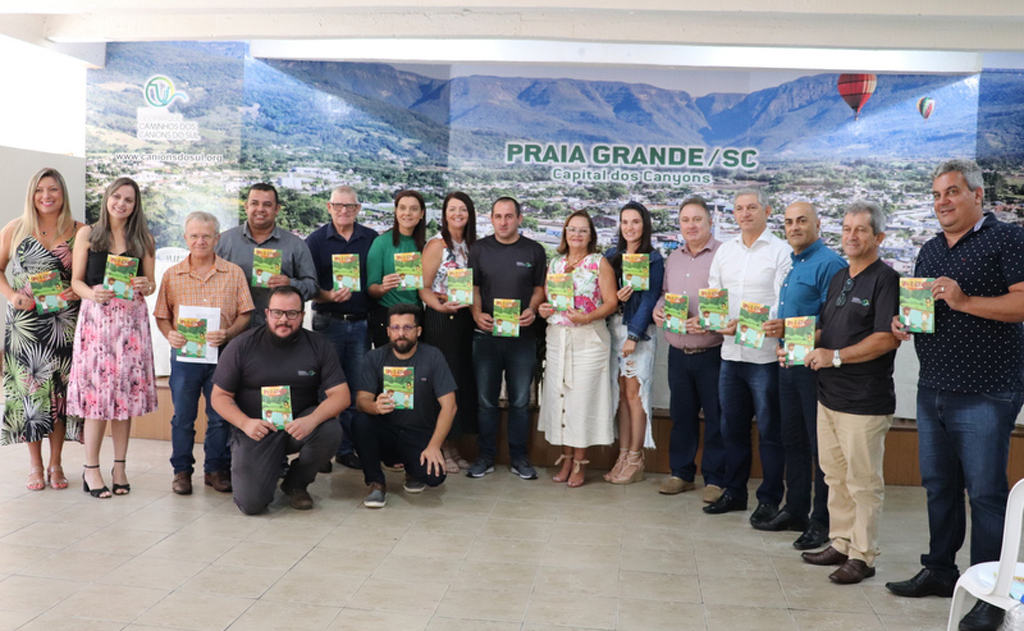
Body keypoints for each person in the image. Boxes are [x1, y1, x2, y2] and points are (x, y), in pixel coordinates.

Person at [886, 160, 1024, 631]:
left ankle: (992, 590)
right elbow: (922, 307)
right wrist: (903, 322)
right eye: (937, 194)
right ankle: (941, 570)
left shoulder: (1008, 239)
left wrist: (965, 301)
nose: (942, 201)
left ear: (978, 195)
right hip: (934, 386)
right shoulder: (928, 249)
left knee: (985, 493)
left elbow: (1023, 302)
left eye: (952, 192)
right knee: (939, 485)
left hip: (988, 389)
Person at [793, 201, 900, 585]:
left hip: (864, 401)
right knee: (834, 476)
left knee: (863, 482)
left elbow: (886, 339)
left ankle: (863, 555)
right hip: (829, 396)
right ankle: (840, 541)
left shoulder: (886, 279)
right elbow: (826, 329)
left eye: (861, 230)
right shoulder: (841, 276)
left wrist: (834, 356)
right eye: (847, 228)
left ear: (878, 237)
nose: (852, 236)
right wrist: (794, 341)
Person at [211, 286, 350, 514]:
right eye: (277, 313)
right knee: (252, 505)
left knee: (330, 430)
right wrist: (246, 423)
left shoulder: (319, 346)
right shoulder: (242, 345)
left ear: (303, 315)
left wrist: (311, 420)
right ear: (266, 313)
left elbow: (341, 395)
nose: (283, 320)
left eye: (292, 314)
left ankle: (296, 482)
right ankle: (263, 471)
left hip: (298, 427)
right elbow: (219, 396)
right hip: (255, 430)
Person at [757, 202, 847, 549]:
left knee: (818, 448)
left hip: (814, 370)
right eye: (789, 222)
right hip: (788, 365)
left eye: (802, 221)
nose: (794, 227)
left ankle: (821, 520)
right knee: (791, 440)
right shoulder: (795, 263)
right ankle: (795, 509)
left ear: (817, 224)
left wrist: (792, 332)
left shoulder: (830, 264)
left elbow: (835, 324)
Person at [702, 188, 791, 525]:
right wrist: (716, 319)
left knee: (770, 431)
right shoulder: (725, 251)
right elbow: (715, 295)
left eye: (752, 207)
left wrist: (749, 322)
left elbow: (781, 303)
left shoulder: (781, 251)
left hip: (765, 357)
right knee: (732, 428)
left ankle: (769, 499)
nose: (745, 214)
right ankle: (734, 491)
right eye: (739, 208)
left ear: (767, 210)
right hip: (730, 353)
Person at [68, 177, 158, 498]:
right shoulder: (88, 234)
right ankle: (90, 468)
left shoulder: (144, 238)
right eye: (116, 197)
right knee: (96, 399)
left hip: (131, 325)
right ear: (107, 198)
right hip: (96, 322)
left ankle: (119, 466)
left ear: (136, 206)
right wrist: (92, 294)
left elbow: (151, 283)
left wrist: (146, 286)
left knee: (125, 399)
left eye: (129, 200)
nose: (121, 203)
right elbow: (76, 282)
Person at [153, 211, 255, 495]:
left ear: (216, 239)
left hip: (223, 356)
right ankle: (182, 471)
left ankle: (216, 470)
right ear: (185, 238)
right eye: (194, 236)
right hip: (185, 358)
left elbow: (246, 314)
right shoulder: (172, 275)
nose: (200, 241)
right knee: (183, 418)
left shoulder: (233, 272)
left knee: (220, 416)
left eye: (206, 236)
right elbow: (161, 315)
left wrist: (229, 333)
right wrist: (168, 333)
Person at [0, 168, 83, 491]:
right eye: (40, 190)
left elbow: (87, 277)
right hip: (26, 328)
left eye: (53, 190)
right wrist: (12, 296)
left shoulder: (80, 231)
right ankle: (35, 465)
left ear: (63, 194)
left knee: (59, 397)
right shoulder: (15, 229)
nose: (46, 196)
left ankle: (56, 463)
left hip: (64, 326)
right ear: (31, 195)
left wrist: (77, 290)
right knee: (32, 397)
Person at [467, 197, 547, 480]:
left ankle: (520, 457)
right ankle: (485, 456)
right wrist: (476, 313)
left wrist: (532, 309)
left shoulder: (534, 250)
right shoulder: (478, 249)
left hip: (523, 337)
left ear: (519, 219)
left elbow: (540, 288)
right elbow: (473, 287)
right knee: (485, 401)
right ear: (491, 219)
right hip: (485, 335)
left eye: (509, 216)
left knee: (520, 401)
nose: (503, 222)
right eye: (498, 216)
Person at [652, 197, 726, 501]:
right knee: (681, 415)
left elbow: (730, 298)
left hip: (713, 351)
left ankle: (715, 479)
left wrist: (712, 322)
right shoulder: (674, 257)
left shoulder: (724, 254)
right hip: (678, 351)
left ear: (710, 222)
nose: (691, 225)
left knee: (716, 417)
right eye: (685, 220)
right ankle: (681, 473)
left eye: (697, 219)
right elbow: (666, 294)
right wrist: (658, 310)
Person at [537, 210, 618, 487]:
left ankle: (580, 462)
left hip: (588, 339)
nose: (577, 234)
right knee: (561, 399)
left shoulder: (599, 263)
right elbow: (548, 303)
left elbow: (611, 303)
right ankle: (566, 457)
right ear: (565, 232)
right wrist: (542, 308)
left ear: (590, 235)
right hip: (557, 339)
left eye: (583, 230)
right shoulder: (556, 263)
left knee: (582, 402)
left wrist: (586, 317)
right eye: (572, 229)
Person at [353, 303, 457, 508]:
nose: (401, 333)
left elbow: (450, 406)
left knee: (434, 478)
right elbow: (361, 400)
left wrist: (435, 446)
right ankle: (376, 483)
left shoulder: (433, 356)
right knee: (360, 421)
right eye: (395, 328)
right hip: (387, 431)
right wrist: (374, 406)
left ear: (418, 331)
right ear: (388, 331)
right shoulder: (375, 357)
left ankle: (412, 470)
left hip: (419, 433)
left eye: (407, 328)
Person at [305, 185, 378, 471]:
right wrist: (326, 295)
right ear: (329, 207)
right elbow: (308, 285)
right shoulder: (316, 241)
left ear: (358, 209)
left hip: (361, 324)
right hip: (328, 323)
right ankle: (322, 450)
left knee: (354, 390)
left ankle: (346, 449)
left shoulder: (371, 239)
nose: (344, 211)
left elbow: (374, 281)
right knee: (325, 390)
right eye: (338, 206)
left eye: (350, 206)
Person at [603, 202, 662, 484]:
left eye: (635, 222)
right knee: (622, 398)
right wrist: (615, 296)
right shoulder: (612, 255)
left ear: (645, 225)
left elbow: (650, 300)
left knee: (636, 396)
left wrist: (634, 335)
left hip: (638, 334)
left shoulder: (653, 258)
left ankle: (637, 458)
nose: (630, 227)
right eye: (625, 222)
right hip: (612, 330)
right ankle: (623, 454)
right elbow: (602, 292)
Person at [418, 191, 477, 472]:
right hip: (441, 320)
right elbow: (424, 287)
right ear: (444, 214)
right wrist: (440, 308)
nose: (457, 214)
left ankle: (453, 443)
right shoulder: (437, 245)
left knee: (461, 380)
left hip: (466, 321)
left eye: (463, 209)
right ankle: (442, 445)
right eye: (452, 209)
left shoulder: (473, 246)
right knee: (444, 383)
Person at [215, 183, 318, 328]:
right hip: (233, 333)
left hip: (279, 332)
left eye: (267, 204)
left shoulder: (295, 245)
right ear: (246, 207)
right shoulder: (223, 241)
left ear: (277, 209)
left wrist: (290, 285)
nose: (260, 209)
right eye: (254, 203)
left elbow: (312, 287)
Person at [366, 190, 426, 348]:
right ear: (396, 212)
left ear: (422, 214)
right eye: (402, 208)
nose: (407, 213)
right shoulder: (381, 243)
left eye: (413, 209)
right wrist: (383, 288)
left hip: (416, 317)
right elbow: (371, 288)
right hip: (387, 316)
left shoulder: (426, 246)